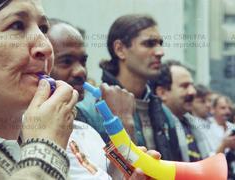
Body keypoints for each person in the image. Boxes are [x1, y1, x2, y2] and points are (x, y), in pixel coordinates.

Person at [0, 0, 79, 179]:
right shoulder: (47, 139)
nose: (46, 47)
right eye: (17, 25)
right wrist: (45, 150)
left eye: (44, 29)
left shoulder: (52, 133)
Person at [47, 18, 161, 180]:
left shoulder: (88, 132)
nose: (81, 71)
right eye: (66, 61)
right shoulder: (29, 131)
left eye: (83, 61)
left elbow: (113, 177)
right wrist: (123, 122)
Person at [78, 14, 182, 161]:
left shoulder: (165, 113)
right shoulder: (87, 110)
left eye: (160, 43)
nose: (160, 52)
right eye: (149, 44)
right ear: (120, 49)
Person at [154, 60, 206, 162]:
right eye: (185, 86)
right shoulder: (158, 128)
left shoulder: (193, 124)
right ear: (162, 93)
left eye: (192, 85)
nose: (193, 92)